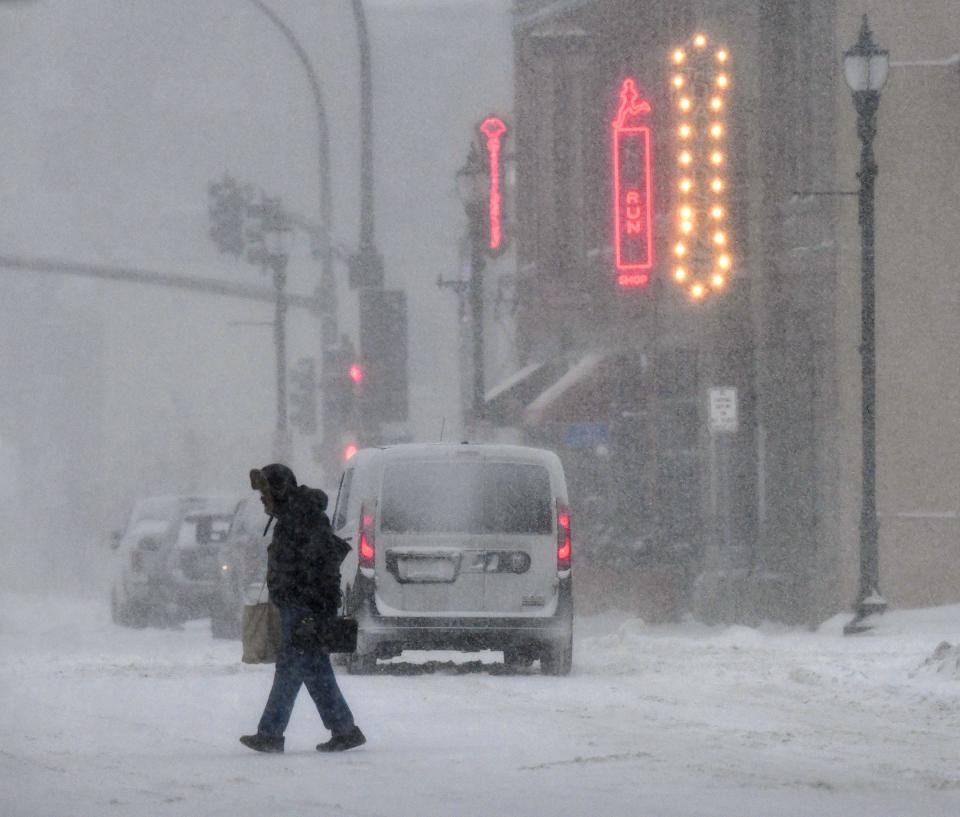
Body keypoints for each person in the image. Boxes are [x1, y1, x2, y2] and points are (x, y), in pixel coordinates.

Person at [240, 463, 366, 754]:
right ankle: (344, 729)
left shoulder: (303, 518)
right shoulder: (295, 517)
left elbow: (318, 567)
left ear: (279, 491)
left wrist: (312, 607)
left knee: (290, 668)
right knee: (313, 669)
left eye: (265, 494)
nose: (262, 501)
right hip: (299, 605)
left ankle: (271, 733)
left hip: (303, 607)